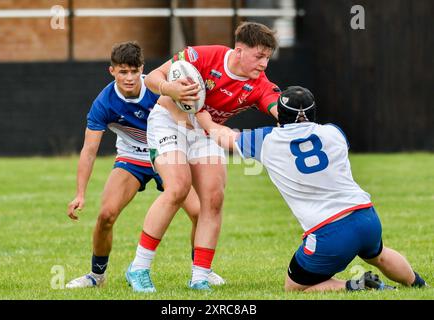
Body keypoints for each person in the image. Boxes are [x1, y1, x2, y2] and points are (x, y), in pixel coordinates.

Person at [195, 86, 428, 291]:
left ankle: (357, 285)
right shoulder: (333, 132)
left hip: (329, 232)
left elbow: (224, 137)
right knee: (379, 254)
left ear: (280, 115)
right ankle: (419, 285)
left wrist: (203, 116)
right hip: (366, 216)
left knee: (295, 287)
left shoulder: (266, 140)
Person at [126, 22, 282, 291]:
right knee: (177, 187)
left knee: (214, 198)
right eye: (259, 56)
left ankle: (200, 276)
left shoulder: (259, 85)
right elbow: (151, 78)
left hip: (206, 132)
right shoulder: (205, 56)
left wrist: (295, 118)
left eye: (267, 57)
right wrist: (169, 88)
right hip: (169, 122)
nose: (264, 64)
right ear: (239, 50)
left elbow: (278, 107)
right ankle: (138, 268)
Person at [65, 41, 224, 289]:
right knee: (106, 215)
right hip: (133, 158)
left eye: (134, 71)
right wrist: (80, 193)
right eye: (122, 72)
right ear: (112, 71)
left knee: (198, 212)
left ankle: (201, 270)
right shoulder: (104, 103)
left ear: (142, 69)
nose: (129, 78)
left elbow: (186, 120)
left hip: (168, 152)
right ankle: (96, 276)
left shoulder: (159, 88)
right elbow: (89, 150)